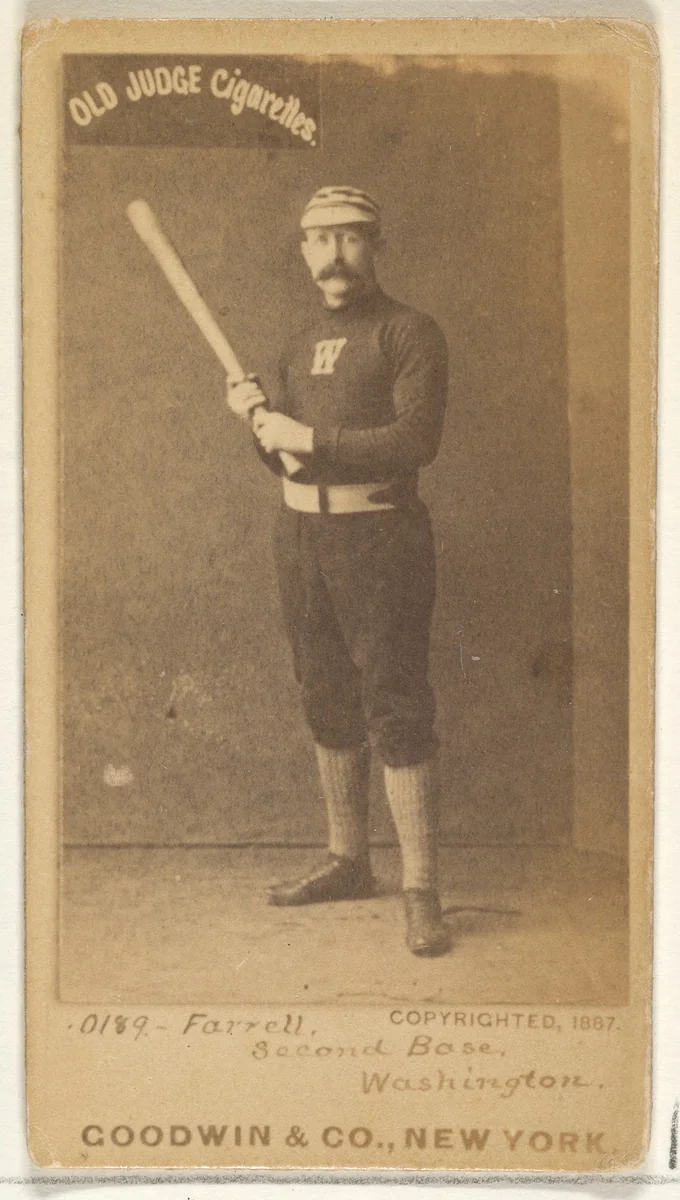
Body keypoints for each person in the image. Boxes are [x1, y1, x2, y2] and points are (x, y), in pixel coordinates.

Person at [226, 186, 450, 956]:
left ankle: (422, 890)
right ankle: (349, 861)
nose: (334, 255)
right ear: (303, 251)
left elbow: (416, 440)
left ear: (375, 245)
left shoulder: (409, 332)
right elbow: (284, 457)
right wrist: (256, 421)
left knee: (394, 701)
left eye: (351, 238)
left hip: (382, 536)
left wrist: (307, 433)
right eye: (319, 240)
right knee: (324, 693)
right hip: (301, 537)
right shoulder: (295, 343)